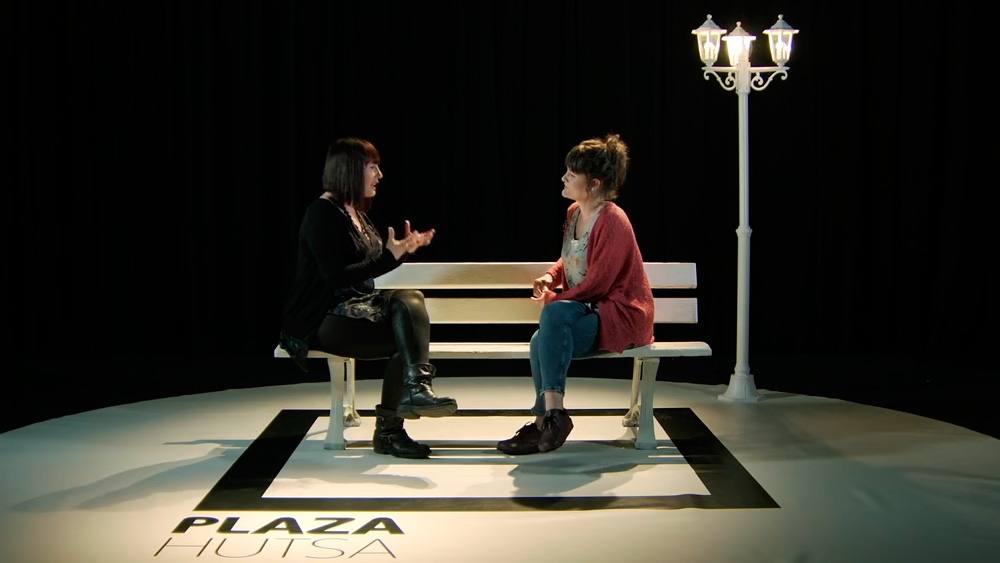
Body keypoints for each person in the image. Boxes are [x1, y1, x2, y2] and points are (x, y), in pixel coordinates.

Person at [279, 137, 457, 459]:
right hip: (323, 318)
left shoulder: (355, 213)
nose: (379, 175)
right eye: (372, 167)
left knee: (409, 320)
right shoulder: (322, 213)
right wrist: (389, 257)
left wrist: (401, 251)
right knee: (407, 332)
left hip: (358, 310)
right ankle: (396, 421)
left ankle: (408, 402)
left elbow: (369, 267)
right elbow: (336, 277)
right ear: (350, 169)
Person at [497, 134, 654, 455]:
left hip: (618, 314)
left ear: (594, 184)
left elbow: (600, 283)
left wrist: (555, 301)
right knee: (539, 340)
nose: (564, 178)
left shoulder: (613, 220)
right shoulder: (574, 213)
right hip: (587, 310)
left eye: (572, 174)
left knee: (552, 318)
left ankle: (551, 418)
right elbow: (570, 257)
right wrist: (551, 276)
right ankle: (547, 419)